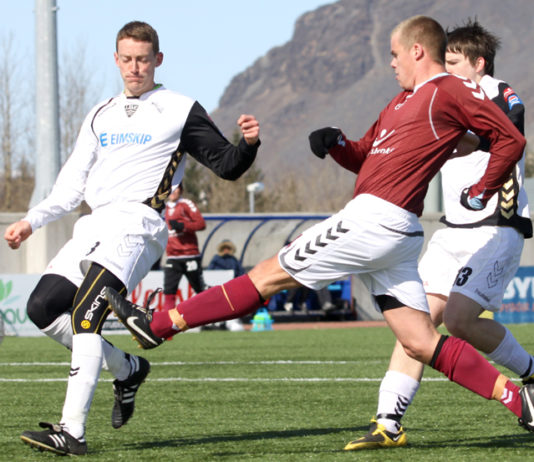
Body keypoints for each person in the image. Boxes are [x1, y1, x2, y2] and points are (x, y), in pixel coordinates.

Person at [107, 15, 534, 448]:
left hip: (374, 219)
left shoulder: (448, 89)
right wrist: (337, 144)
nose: (391, 63)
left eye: (394, 54)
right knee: (420, 341)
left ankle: (158, 325)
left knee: (266, 275)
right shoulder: (400, 102)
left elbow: (510, 140)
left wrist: (483, 189)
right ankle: (519, 401)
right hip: (396, 233)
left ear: (417, 51)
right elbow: (365, 156)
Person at [5, 21, 260, 456]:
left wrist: (249, 144)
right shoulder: (99, 113)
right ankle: (127, 369)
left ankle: (72, 431)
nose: (134, 67)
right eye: (127, 59)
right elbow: (70, 186)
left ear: (158, 59)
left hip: (137, 226)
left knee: (86, 314)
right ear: (116, 59)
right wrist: (32, 221)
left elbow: (227, 165)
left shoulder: (180, 108)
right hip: (93, 225)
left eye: (143, 59)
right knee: (42, 308)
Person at [345, 19, 534, 451]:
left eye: (453, 62)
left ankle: (531, 374)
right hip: (451, 233)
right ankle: (388, 424)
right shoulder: (439, 97)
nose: (444, 69)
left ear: (479, 63)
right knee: (415, 325)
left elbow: (510, 129)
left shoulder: (498, 92)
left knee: (460, 320)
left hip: (495, 229)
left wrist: (464, 145)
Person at [163, 183, 206, 312]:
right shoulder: (163, 208)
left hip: (189, 255)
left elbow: (201, 224)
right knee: (169, 292)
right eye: (170, 188)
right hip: (172, 257)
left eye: (175, 188)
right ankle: (168, 323)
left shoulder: (186, 204)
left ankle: (213, 315)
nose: (172, 191)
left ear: (180, 190)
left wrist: (183, 226)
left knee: (200, 290)